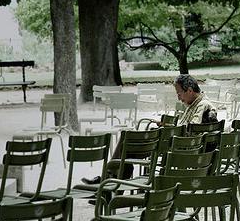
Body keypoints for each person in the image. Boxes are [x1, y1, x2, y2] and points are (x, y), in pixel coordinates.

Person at [81, 75, 217, 184]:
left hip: (176, 147)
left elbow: (191, 130)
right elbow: (186, 128)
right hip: (173, 144)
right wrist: (166, 125)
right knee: (126, 144)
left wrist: (168, 128)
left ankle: (108, 182)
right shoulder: (195, 103)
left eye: (179, 93)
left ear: (189, 90)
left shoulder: (203, 105)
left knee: (126, 140)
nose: (178, 97)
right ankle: (109, 182)